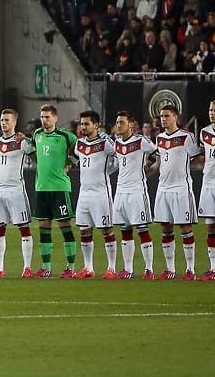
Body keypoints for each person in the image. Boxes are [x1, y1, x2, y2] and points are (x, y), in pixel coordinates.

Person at [21, 104, 78, 278]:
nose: (44, 120)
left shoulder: (66, 136)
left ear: (55, 118)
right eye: (42, 117)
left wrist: (70, 163)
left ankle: (70, 267)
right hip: (41, 188)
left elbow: (81, 151)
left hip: (59, 188)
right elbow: (31, 151)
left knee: (65, 227)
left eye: (47, 117)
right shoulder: (37, 134)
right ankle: (46, 267)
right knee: (43, 228)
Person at [152, 105, 202, 280]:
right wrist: (145, 171)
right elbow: (158, 162)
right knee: (165, 227)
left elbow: (197, 157)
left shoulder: (186, 137)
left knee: (185, 227)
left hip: (181, 188)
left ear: (176, 117)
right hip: (163, 187)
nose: (163, 119)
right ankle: (170, 270)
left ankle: (190, 270)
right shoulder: (159, 138)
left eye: (166, 115)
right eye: (161, 116)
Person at [111, 111, 158, 279]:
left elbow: (158, 154)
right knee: (125, 230)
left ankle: (149, 269)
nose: (118, 125)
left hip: (137, 191)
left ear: (131, 124)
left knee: (142, 229)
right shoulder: (116, 143)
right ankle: (128, 269)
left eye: (122, 122)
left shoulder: (141, 141)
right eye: (117, 122)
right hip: (121, 191)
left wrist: (151, 170)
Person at [0, 109, 33, 277]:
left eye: (7, 120)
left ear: (14, 122)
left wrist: (28, 139)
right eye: (1, 120)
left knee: (23, 228)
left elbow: (35, 156)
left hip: (16, 189)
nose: (3, 122)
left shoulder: (21, 142)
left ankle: (27, 268)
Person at [73, 111, 118, 279]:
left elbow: (119, 159)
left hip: (101, 193)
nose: (83, 127)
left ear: (96, 125)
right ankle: (88, 268)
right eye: (82, 124)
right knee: (84, 231)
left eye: (86, 124)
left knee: (107, 230)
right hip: (84, 193)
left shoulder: (106, 143)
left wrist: (107, 171)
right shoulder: (79, 144)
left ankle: (111, 268)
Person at [198, 100, 215, 281]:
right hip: (208, 184)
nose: (212, 113)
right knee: (210, 227)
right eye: (210, 110)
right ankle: (213, 268)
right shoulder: (204, 133)